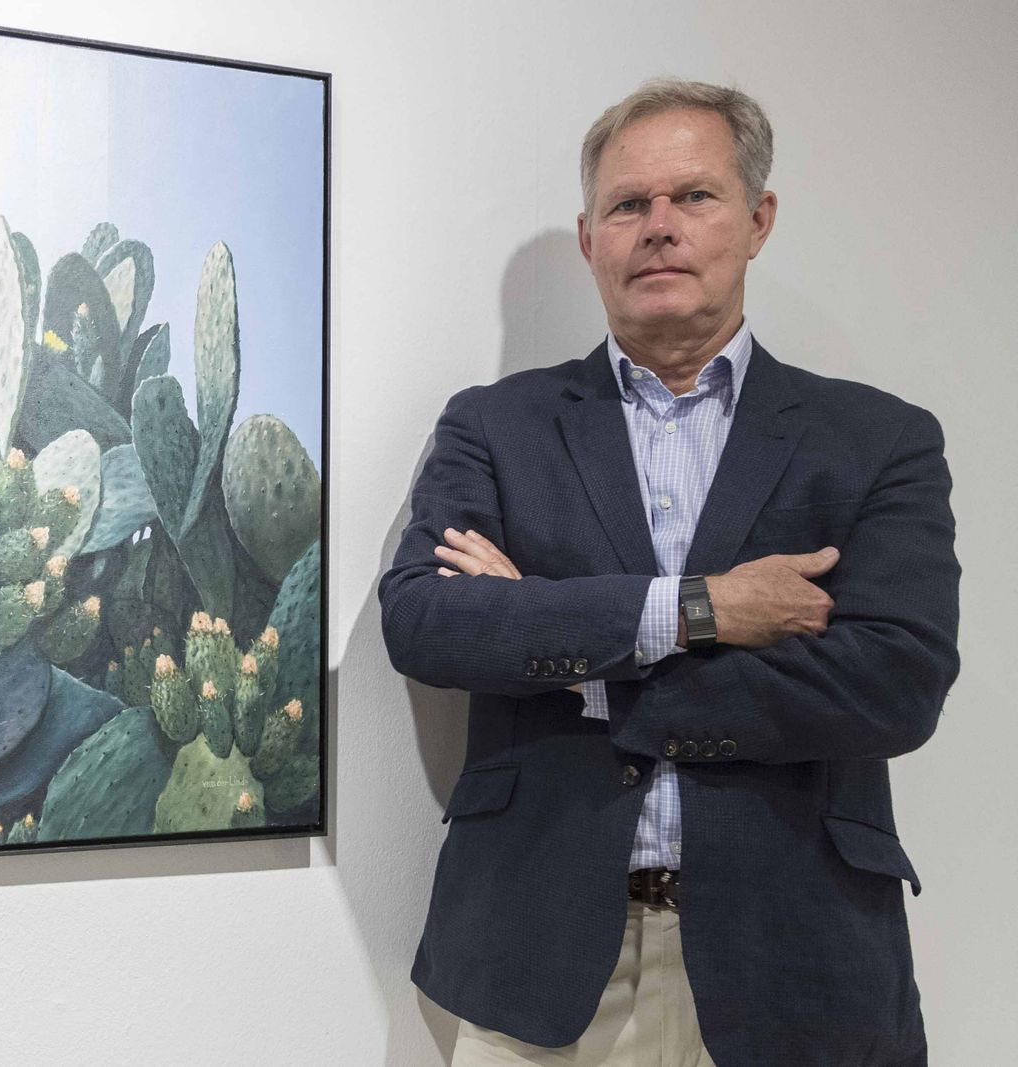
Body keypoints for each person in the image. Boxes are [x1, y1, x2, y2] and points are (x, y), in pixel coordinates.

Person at [378, 77, 960, 1067]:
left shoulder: (877, 439)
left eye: (693, 195)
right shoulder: (495, 425)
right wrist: (700, 609)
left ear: (757, 219)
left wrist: (575, 662)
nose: (658, 226)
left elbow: (894, 683)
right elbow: (427, 622)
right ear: (588, 238)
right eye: (627, 204)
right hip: (537, 959)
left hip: (798, 959)